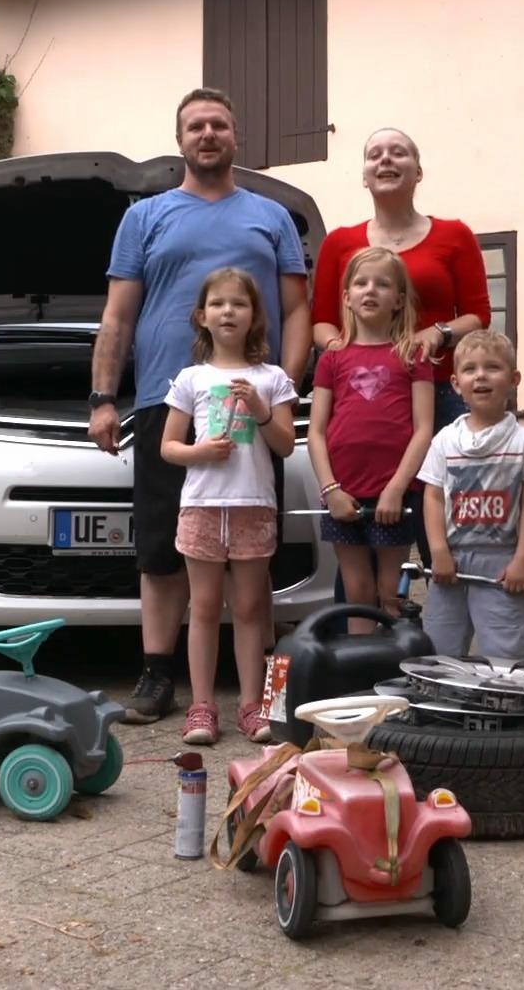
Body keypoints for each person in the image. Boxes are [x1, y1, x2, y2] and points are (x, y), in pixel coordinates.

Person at [89, 88, 312, 726]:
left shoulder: (270, 217)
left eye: (218, 124)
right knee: (162, 550)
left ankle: (259, 697)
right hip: (170, 400)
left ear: (235, 137)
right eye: (195, 126)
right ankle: (159, 677)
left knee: (253, 561)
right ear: (180, 140)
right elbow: (118, 315)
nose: (207, 134)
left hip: (252, 409)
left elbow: (298, 309)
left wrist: (280, 388)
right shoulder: (146, 217)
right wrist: (104, 398)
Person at [311, 127, 491, 592]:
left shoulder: (454, 235)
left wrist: (440, 332)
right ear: (364, 175)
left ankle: (446, 635)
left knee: (443, 527)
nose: (386, 160)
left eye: (399, 152)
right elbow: (322, 323)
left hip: (440, 401)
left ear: (418, 170)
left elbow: (479, 315)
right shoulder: (339, 243)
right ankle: (358, 644)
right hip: (364, 404)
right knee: (355, 534)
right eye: (374, 154)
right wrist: (347, 358)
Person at [159, 269, 298, 744]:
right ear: (202, 316)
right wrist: (200, 453)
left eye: (239, 304)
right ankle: (201, 707)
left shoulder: (272, 378)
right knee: (201, 607)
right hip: (201, 506)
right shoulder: (191, 378)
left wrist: (259, 409)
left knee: (250, 606)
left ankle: (251, 705)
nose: (228, 311)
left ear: (254, 315)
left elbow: (285, 446)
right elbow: (169, 447)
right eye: (218, 303)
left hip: (252, 506)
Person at [308, 247, 436, 635]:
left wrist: (397, 488)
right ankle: (361, 672)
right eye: (361, 283)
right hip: (342, 491)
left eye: (382, 284)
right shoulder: (331, 360)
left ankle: (392, 672)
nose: (370, 290)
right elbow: (316, 431)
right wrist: (330, 489)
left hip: (391, 495)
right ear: (346, 296)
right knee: (357, 589)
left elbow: (424, 429)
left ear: (398, 300)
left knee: (389, 591)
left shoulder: (413, 355)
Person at [417, 330, 524, 660]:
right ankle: (444, 710)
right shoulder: (444, 441)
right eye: (470, 369)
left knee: (508, 653)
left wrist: (522, 560)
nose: (481, 376)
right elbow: (432, 498)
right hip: (451, 560)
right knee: (439, 652)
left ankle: (509, 709)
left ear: (513, 378)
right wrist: (437, 553)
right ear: (455, 382)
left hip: (503, 562)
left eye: (493, 367)